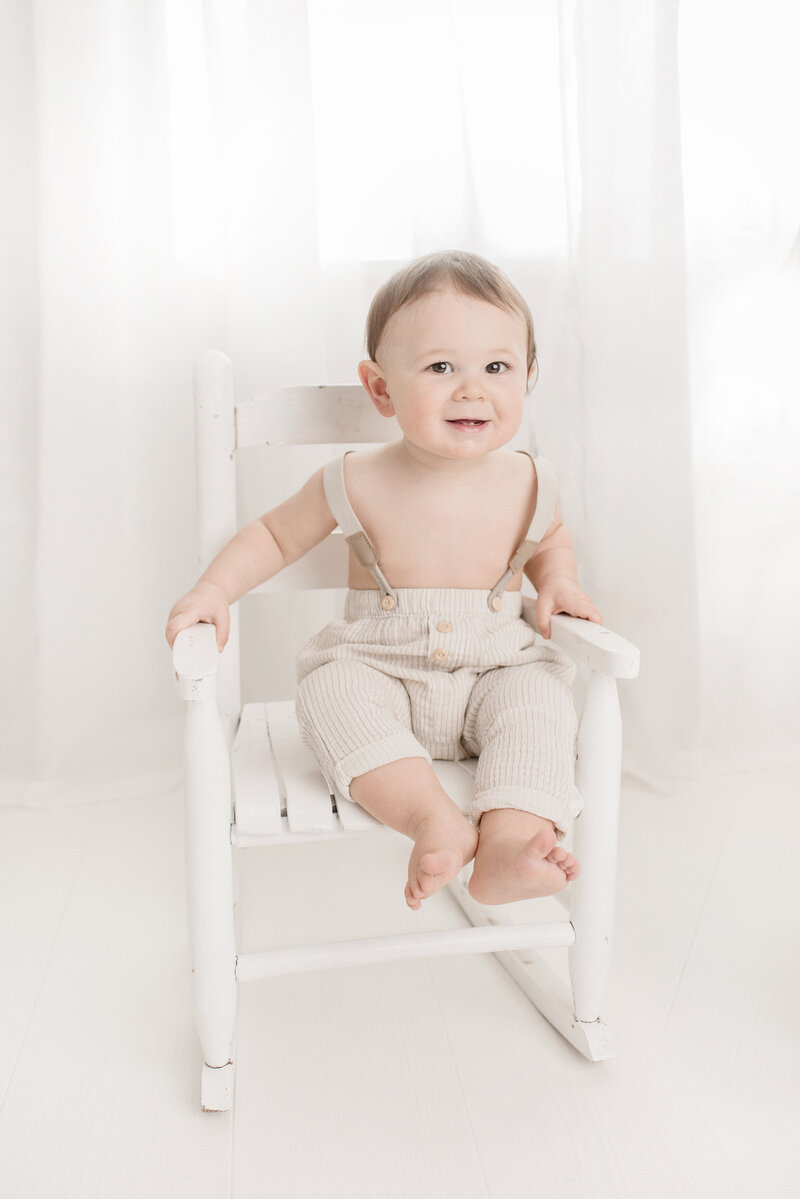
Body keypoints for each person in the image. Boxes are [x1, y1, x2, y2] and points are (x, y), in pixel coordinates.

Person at [166, 250, 602, 911]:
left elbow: (551, 538)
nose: (471, 388)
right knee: (328, 691)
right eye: (439, 367)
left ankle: (510, 844)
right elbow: (275, 536)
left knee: (542, 705)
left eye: (496, 367)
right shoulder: (355, 477)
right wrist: (213, 589)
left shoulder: (530, 479)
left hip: (494, 668)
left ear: (528, 376)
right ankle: (433, 819)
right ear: (381, 389)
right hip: (381, 667)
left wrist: (559, 581)